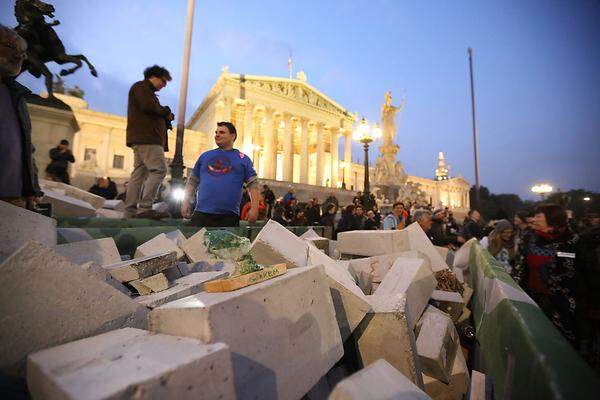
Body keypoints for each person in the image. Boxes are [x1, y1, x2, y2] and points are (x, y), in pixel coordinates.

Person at [512, 204, 580, 346]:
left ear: (552, 219)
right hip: (533, 300)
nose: (533, 219)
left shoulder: (572, 240)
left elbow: (578, 272)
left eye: (538, 216)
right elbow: (519, 268)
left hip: (564, 306)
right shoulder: (529, 238)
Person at [181, 121, 259, 227]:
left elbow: (253, 184)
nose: (217, 135)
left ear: (232, 136)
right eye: (216, 132)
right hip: (201, 213)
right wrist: (185, 202)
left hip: (228, 216)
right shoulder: (204, 156)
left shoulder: (243, 159)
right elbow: (193, 181)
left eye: (222, 132)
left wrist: (254, 209)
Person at [0, 25, 43, 209]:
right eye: (13, 47)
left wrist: (32, 189)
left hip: (14, 198)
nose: (21, 56)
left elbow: (26, 148)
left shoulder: (16, 96)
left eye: (23, 51)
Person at [124, 65, 175, 219]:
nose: (164, 85)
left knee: (139, 174)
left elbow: (150, 109)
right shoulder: (142, 88)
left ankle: (130, 211)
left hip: (141, 138)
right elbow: (149, 106)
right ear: (154, 76)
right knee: (159, 170)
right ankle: (145, 207)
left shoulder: (144, 90)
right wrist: (166, 111)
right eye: (164, 81)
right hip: (148, 138)